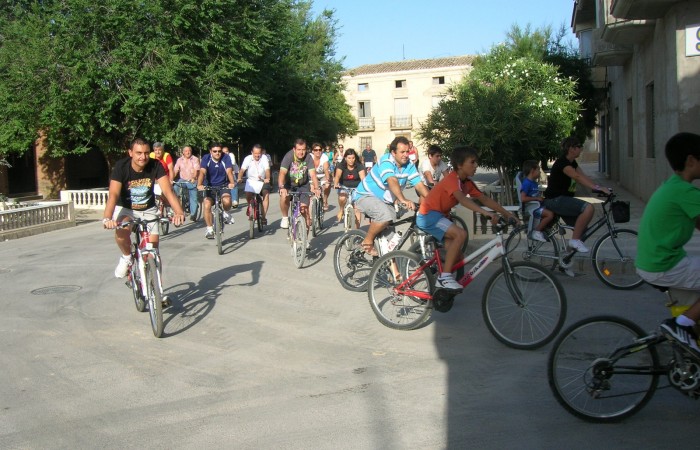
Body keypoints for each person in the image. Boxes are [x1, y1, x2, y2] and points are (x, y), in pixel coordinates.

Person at [417, 146, 519, 290]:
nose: (476, 165)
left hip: (441, 216)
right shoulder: (452, 179)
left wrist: (507, 213)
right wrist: (486, 213)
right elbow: (463, 200)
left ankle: (441, 283)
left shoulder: (467, 182)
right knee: (461, 234)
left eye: (476, 162)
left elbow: (485, 199)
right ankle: (444, 278)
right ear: (459, 165)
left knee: (458, 256)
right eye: (472, 162)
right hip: (428, 215)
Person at [636, 132, 700, 357]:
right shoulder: (686, 191)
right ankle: (682, 324)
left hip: (656, 261)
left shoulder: (673, 186)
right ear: (691, 161)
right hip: (663, 264)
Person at [103, 138, 185, 280]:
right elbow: (113, 195)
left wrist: (179, 212)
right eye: (139, 153)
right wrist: (107, 217)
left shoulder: (155, 165)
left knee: (153, 253)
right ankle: (127, 257)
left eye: (146, 153)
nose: (143, 157)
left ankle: (157, 290)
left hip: (149, 209)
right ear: (130, 153)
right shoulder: (121, 167)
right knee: (121, 232)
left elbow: (168, 191)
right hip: (127, 209)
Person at [353, 136, 429, 256]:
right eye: (402, 152)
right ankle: (367, 241)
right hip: (365, 195)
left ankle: (391, 271)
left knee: (392, 244)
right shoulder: (386, 161)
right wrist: (403, 199)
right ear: (393, 152)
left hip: (385, 201)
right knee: (384, 217)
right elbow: (391, 180)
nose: (406, 155)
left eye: (407, 151)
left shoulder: (409, 165)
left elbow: (419, 185)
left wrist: (434, 201)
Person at [543, 137, 611, 253]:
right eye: (579, 147)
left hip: (563, 199)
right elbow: (577, 177)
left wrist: (599, 188)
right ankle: (574, 241)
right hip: (555, 200)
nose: (581, 149)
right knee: (588, 208)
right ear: (571, 149)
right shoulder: (563, 164)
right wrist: (597, 188)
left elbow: (583, 176)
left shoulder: (572, 162)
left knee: (582, 230)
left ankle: (566, 259)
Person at [278, 139, 321, 239]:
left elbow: (313, 175)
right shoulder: (288, 156)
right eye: (298, 149)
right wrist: (281, 187)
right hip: (289, 184)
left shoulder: (308, 158)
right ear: (294, 149)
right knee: (284, 196)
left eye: (303, 149)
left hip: (303, 185)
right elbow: (282, 173)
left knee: (304, 210)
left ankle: (305, 239)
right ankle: (285, 217)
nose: (301, 152)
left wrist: (316, 187)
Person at [197, 142, 236, 239]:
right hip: (209, 186)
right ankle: (209, 229)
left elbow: (229, 171)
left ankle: (226, 213)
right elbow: (202, 171)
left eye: (219, 151)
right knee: (206, 205)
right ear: (211, 151)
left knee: (227, 201)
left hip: (223, 185)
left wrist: (232, 183)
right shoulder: (206, 158)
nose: (217, 153)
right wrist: (199, 184)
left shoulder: (226, 157)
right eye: (214, 151)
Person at [519, 159, 554, 242]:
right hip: (532, 208)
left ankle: (542, 229)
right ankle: (536, 231)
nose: (539, 172)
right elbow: (523, 198)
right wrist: (536, 198)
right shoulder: (527, 183)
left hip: (537, 206)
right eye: (538, 169)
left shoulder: (533, 182)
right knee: (550, 215)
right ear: (532, 170)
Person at [238, 144, 271, 225]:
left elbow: (267, 170)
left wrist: (267, 178)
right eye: (255, 153)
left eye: (259, 153)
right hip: (251, 181)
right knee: (248, 194)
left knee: (266, 194)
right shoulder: (247, 159)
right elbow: (242, 170)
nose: (257, 155)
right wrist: (239, 178)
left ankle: (263, 216)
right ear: (252, 152)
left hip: (262, 181)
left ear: (261, 152)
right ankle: (250, 206)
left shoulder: (264, 158)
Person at [333, 148, 366, 227]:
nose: (351, 160)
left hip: (357, 187)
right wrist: (336, 183)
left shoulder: (359, 165)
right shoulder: (341, 165)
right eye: (349, 158)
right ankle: (341, 209)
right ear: (345, 158)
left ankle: (357, 231)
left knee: (357, 208)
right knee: (342, 197)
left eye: (353, 158)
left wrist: (364, 188)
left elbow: (363, 179)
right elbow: (337, 176)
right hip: (344, 186)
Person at [172, 145, 201, 221]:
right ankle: (179, 203)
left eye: (189, 151)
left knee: (193, 196)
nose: (188, 152)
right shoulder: (179, 160)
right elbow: (175, 170)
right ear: (183, 152)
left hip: (191, 180)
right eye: (186, 151)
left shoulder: (195, 159)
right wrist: (171, 179)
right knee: (175, 187)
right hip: (183, 179)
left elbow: (196, 170)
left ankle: (193, 214)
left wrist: (194, 178)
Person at [310, 142, 331, 211]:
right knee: (311, 190)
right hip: (312, 176)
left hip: (322, 175)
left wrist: (327, 180)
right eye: (316, 150)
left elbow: (326, 170)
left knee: (327, 185)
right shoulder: (310, 157)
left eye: (320, 150)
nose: (318, 151)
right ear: (312, 151)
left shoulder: (324, 157)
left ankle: (325, 200)